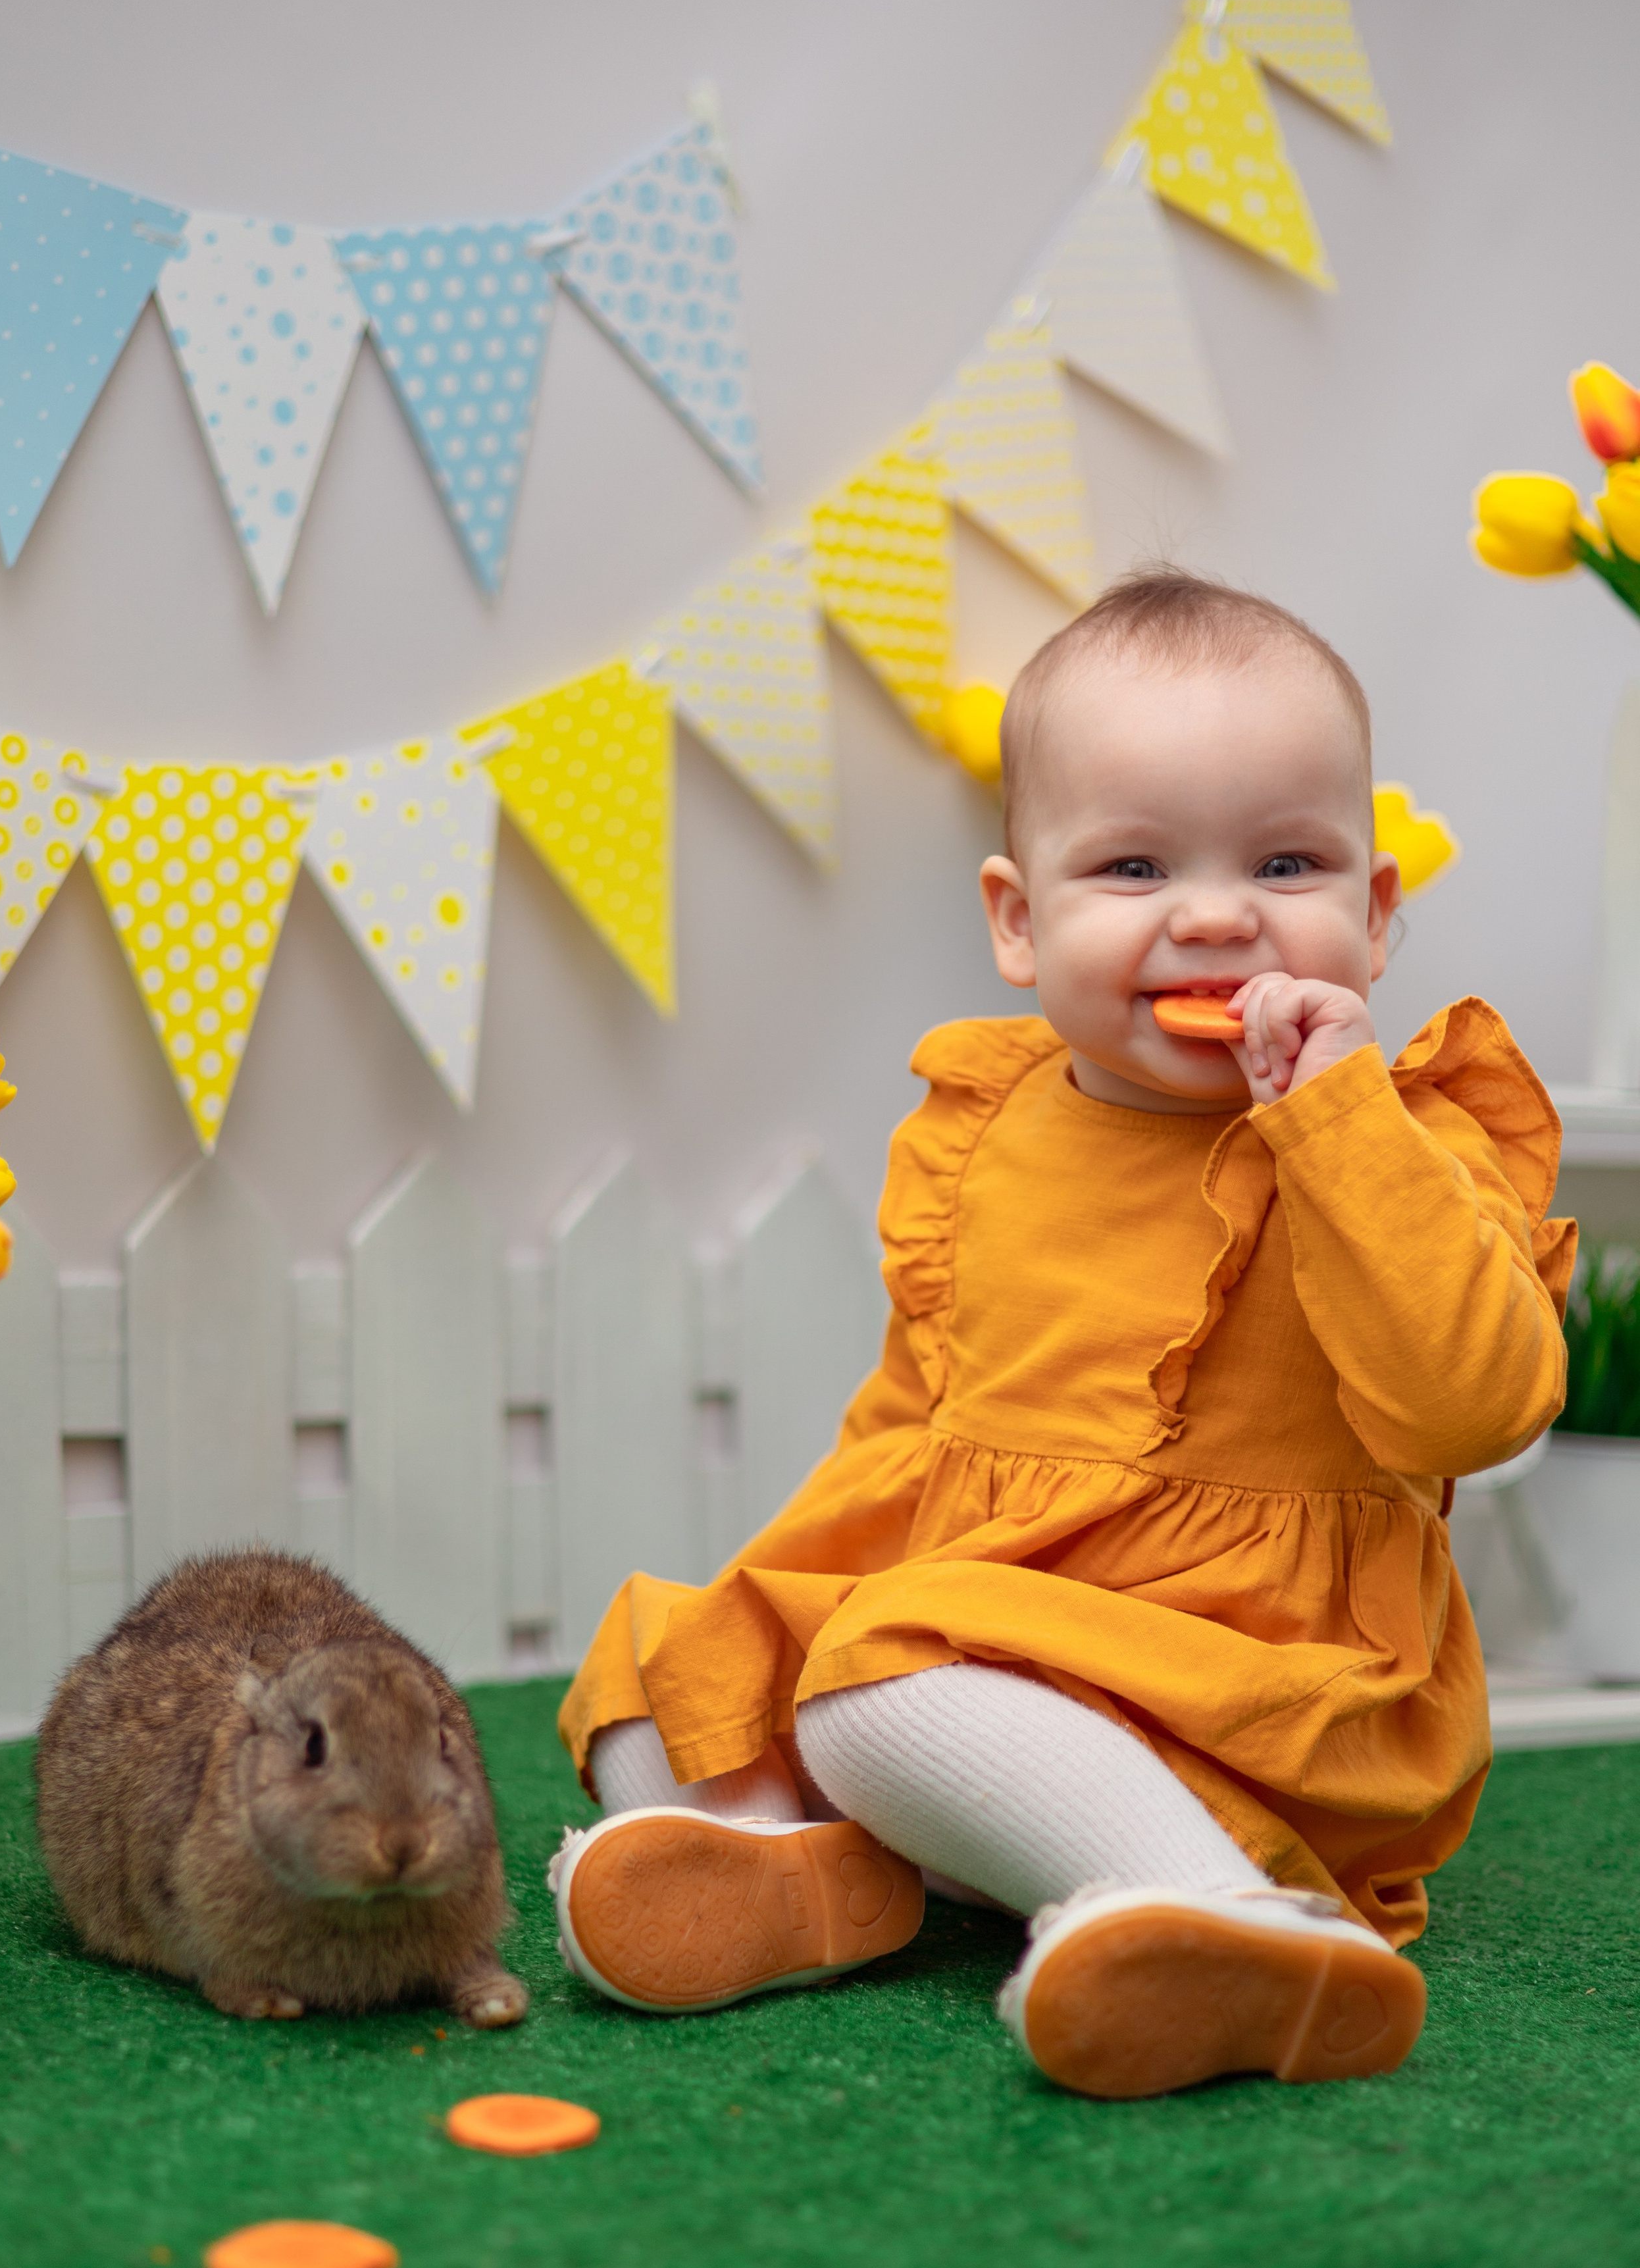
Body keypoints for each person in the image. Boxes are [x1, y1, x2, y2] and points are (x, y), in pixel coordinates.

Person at [550, 567, 1575, 2100]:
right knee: (674, 1675)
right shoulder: (982, 1125)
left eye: (1285, 861)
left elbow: (1470, 1414)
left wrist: (1339, 1128)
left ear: (1371, 916)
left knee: (875, 1692)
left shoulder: (1411, 1140)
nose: (1217, 913)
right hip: (994, 1620)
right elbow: (914, 1421)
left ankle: (1234, 1920)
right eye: (1134, 866)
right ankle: (791, 1869)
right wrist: (786, 1609)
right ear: (1020, 923)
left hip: (1258, 1685)